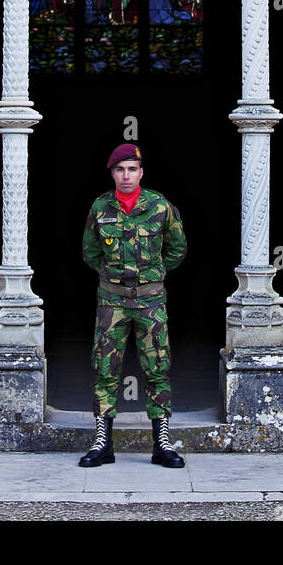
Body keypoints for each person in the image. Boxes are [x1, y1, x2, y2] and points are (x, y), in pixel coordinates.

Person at [79, 144, 187, 468]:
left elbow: (177, 248)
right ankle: (103, 444)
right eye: (120, 170)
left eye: (132, 169)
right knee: (105, 370)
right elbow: (90, 251)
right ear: (112, 173)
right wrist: (111, 277)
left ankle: (162, 444)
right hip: (111, 301)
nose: (126, 176)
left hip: (150, 302)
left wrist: (153, 274)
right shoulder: (100, 207)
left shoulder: (159, 206)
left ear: (141, 172)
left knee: (157, 370)